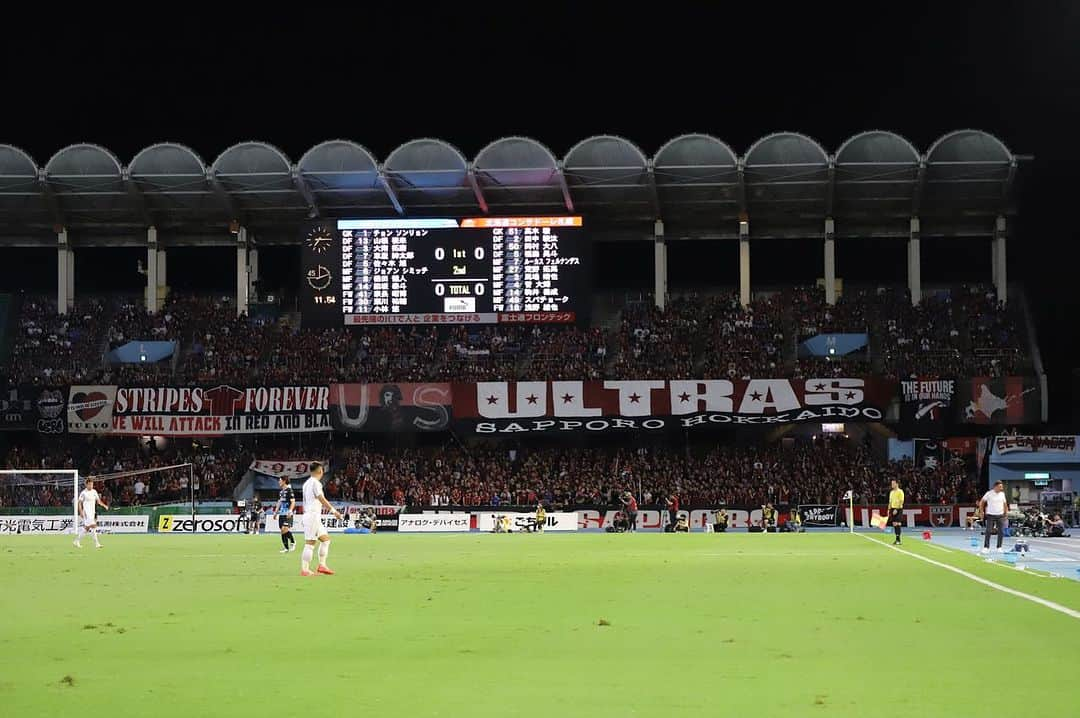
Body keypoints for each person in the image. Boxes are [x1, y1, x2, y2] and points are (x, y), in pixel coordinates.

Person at [300, 463, 343, 577]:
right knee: (310, 543)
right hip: (312, 516)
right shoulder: (316, 483)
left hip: (312, 516)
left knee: (326, 540)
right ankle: (305, 570)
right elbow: (321, 498)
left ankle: (322, 565)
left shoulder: (307, 483)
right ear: (320, 471)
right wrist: (334, 511)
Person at [75, 478, 109, 549]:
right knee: (93, 526)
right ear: (86, 485)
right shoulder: (83, 493)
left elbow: (98, 501)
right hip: (86, 513)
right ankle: (97, 543)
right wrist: (80, 511)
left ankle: (77, 541)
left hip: (92, 513)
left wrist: (104, 505)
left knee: (87, 528)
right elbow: (79, 503)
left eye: (92, 484)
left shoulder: (94, 492)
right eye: (90, 484)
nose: (91, 486)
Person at [978, 480, 1009, 554]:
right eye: (1000, 487)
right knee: (988, 531)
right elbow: (981, 502)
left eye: (1002, 487)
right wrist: (981, 511)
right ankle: (986, 547)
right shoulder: (989, 493)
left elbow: (1005, 504)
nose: (1001, 488)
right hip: (990, 515)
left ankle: (999, 547)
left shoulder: (1002, 494)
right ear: (995, 486)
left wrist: (1006, 513)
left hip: (1000, 515)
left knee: (1001, 531)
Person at [274, 477, 296, 553]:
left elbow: (293, 502)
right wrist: (275, 512)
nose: (278, 482)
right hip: (281, 514)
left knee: (284, 529)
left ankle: (293, 542)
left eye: (280, 480)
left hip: (287, 513)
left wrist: (290, 511)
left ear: (284, 481)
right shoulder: (281, 492)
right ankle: (286, 548)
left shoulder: (289, 490)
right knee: (282, 531)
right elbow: (279, 502)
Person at [888, 479, 905, 545]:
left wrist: (897, 509)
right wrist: (889, 508)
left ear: (897, 484)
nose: (892, 485)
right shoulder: (891, 492)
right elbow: (890, 501)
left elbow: (901, 501)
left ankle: (899, 540)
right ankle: (897, 539)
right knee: (894, 523)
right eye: (891, 483)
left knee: (898, 523)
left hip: (898, 509)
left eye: (893, 483)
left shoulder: (900, 491)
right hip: (892, 508)